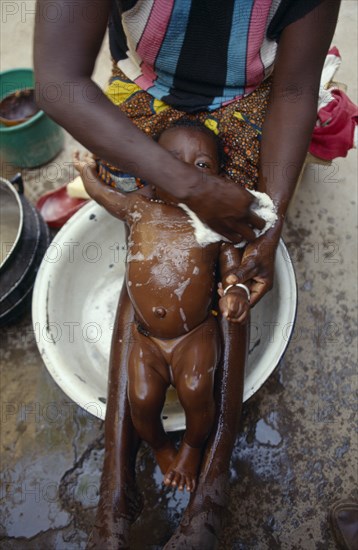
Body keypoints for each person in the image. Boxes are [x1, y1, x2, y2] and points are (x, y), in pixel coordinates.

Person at [34, 0, 341, 547]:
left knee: (229, 266)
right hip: (144, 101)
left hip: (249, 104)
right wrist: (191, 189)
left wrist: (265, 225)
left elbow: (295, 90)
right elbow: (58, 81)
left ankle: (213, 472)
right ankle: (116, 477)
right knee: (149, 242)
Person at [74, 120, 256, 494]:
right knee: (140, 400)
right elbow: (102, 194)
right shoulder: (137, 206)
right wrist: (85, 172)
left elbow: (231, 262)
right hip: (146, 339)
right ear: (148, 168)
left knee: (196, 390)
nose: (187, 170)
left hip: (195, 334)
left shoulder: (212, 222)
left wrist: (235, 290)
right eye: (172, 161)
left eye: (202, 165)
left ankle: (190, 447)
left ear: (219, 179)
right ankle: (159, 446)